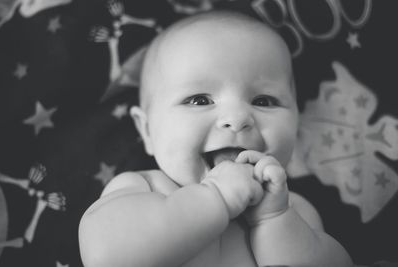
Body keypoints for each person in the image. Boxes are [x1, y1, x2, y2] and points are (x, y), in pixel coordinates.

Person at [79, 10, 353, 267]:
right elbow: (107, 256)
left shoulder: (294, 209)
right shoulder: (143, 187)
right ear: (147, 130)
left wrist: (275, 219)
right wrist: (215, 197)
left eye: (264, 100)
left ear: (296, 122)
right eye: (199, 100)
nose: (237, 118)